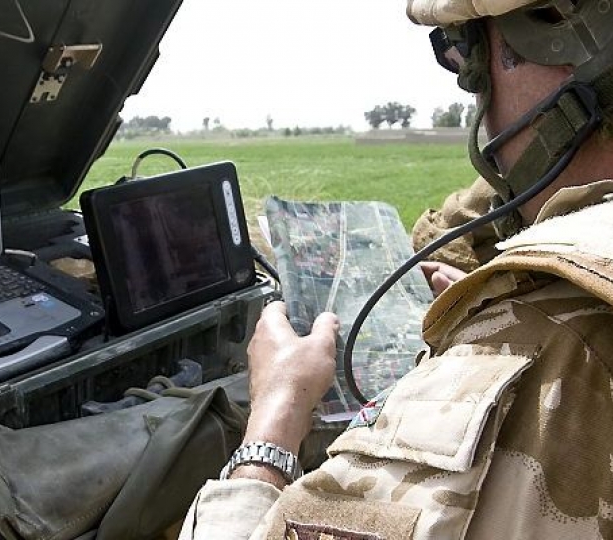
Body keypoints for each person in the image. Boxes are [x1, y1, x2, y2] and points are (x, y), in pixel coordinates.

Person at [180, 1, 613, 538]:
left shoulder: (550, 344)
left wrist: (276, 414)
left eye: (474, 59)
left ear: (565, 44)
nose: (481, 104)